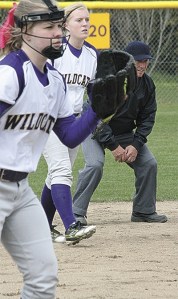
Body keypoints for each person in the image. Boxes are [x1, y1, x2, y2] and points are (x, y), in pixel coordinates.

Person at [0, 0, 102, 297]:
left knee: (43, 276)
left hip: (20, 190)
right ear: (25, 32)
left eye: (59, 26)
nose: (58, 33)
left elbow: (70, 135)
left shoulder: (54, 79)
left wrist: (97, 109)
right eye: (49, 27)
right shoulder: (10, 75)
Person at [73, 40, 168, 224]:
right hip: (93, 128)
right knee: (94, 165)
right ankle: (76, 213)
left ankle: (143, 211)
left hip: (123, 132)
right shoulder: (111, 79)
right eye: (138, 61)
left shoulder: (147, 84)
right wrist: (114, 146)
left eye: (145, 60)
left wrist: (136, 144)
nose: (142, 64)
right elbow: (97, 117)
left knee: (148, 163)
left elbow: (148, 117)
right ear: (129, 61)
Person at [41, 2, 98, 244]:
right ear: (65, 26)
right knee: (62, 170)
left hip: (73, 121)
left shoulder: (92, 54)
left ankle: (41, 226)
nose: (85, 23)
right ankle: (71, 226)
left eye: (87, 19)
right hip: (47, 119)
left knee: (56, 174)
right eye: (79, 20)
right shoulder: (54, 51)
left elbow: (91, 92)